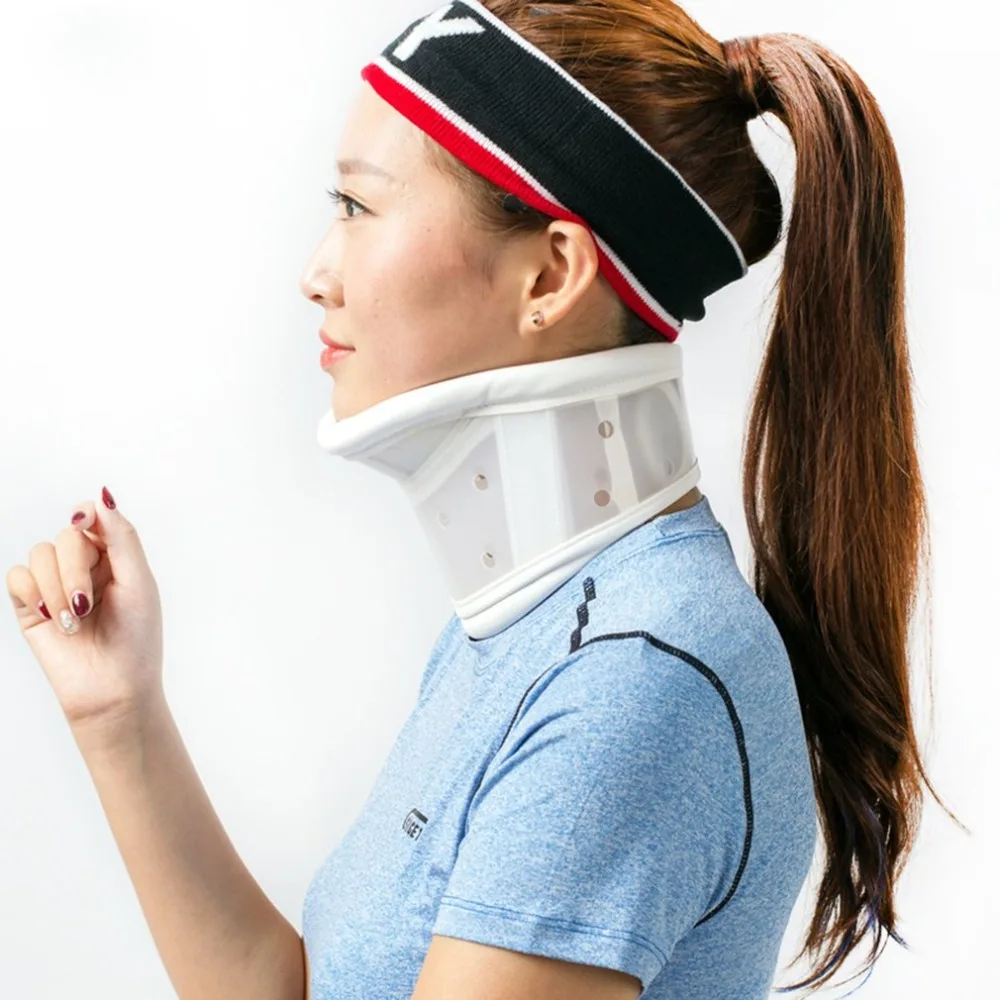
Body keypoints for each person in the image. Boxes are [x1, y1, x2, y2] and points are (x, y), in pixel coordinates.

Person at [7, 2, 957, 999]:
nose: (315, 274)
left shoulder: (633, 679)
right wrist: (116, 713)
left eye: (357, 206)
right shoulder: (539, 628)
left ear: (550, 274)